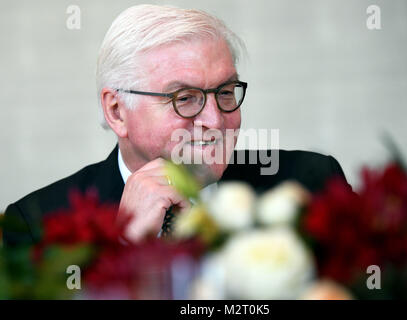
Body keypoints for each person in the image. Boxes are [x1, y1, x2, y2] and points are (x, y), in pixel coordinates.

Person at [3, 4, 351, 246]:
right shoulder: (36, 225)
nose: (215, 121)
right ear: (117, 111)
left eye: (226, 91)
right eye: (184, 98)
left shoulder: (311, 181)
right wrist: (123, 244)